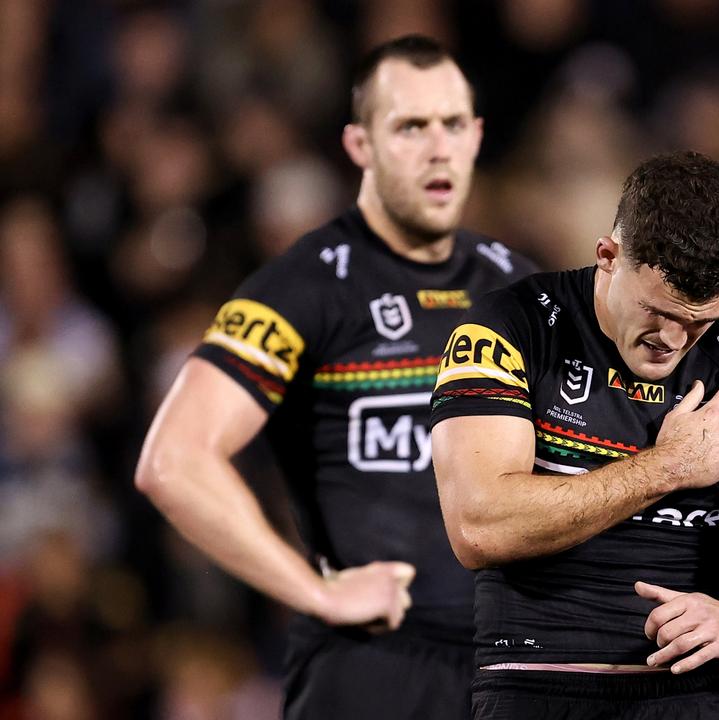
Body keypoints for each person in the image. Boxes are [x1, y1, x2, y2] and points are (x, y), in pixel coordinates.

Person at [134, 35, 538, 719]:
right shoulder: (304, 287)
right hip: (373, 668)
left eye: (451, 125)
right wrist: (316, 593)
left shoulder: (522, 285)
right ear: (360, 146)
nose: (438, 148)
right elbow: (173, 459)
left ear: (476, 138)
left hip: (513, 667)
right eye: (410, 126)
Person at [430, 151, 719, 719]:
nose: (674, 340)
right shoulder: (509, 328)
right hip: (536, 687)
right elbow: (478, 526)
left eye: (700, 320)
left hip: (693, 696)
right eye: (656, 311)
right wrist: (667, 468)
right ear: (608, 256)